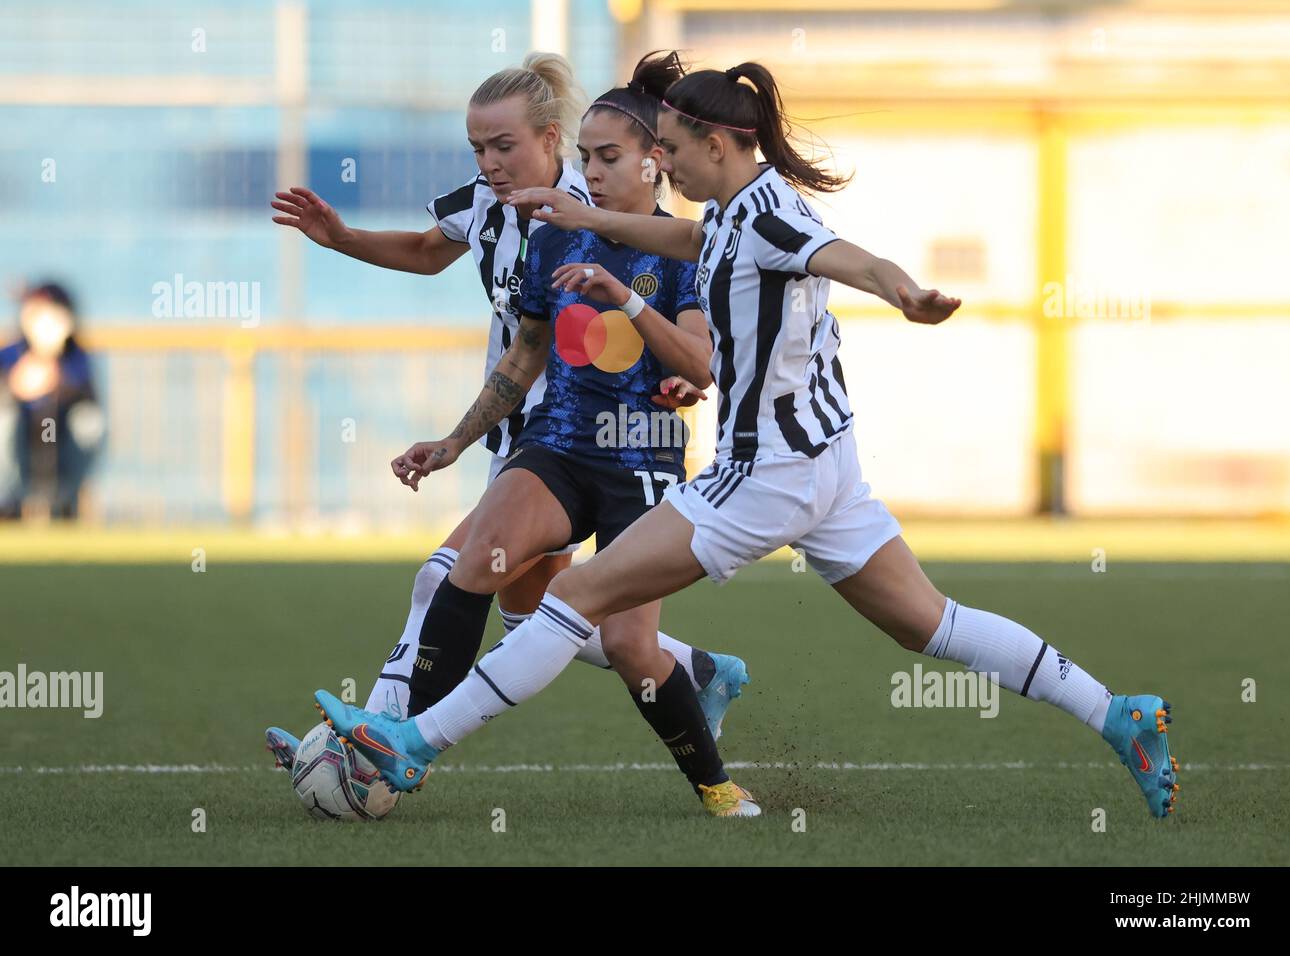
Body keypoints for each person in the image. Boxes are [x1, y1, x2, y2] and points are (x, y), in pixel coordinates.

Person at [315, 61, 1180, 821]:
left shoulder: (770, 216)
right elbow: (688, 238)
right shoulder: (728, 213)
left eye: (676, 150)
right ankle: (1117, 713)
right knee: (931, 624)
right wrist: (595, 221)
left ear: (719, 145)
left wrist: (906, 293)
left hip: (766, 474)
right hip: (828, 467)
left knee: (576, 600)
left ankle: (414, 744)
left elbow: (848, 258)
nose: (668, 164)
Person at [266, 53, 748, 781]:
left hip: (605, 446)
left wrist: (679, 373)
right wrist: (343, 238)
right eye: (478, 150)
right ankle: (697, 670)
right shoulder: (493, 206)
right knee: (534, 613)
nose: (490, 164)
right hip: (534, 438)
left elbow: (693, 335)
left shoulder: (619, 217)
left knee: (450, 579)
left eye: (505, 147)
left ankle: (375, 744)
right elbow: (432, 254)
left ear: (553, 141)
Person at [0, 282, 104, 520]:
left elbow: (88, 397)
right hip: (20, 444)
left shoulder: (75, 355)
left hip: (60, 442)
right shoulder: (11, 353)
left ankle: (66, 500)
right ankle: (8, 500)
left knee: (88, 421)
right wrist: (15, 386)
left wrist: (56, 377)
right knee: (3, 419)